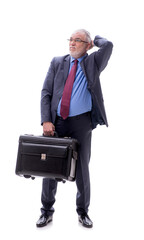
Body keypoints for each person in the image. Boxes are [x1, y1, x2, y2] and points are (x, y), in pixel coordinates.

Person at [36, 29, 113, 228]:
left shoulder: (92, 62)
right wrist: (46, 120)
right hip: (57, 122)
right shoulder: (57, 62)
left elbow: (109, 45)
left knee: (82, 169)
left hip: (82, 124)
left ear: (87, 46)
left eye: (78, 40)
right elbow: (46, 92)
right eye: (70, 39)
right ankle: (46, 211)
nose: (72, 43)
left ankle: (83, 212)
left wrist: (95, 40)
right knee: (51, 167)